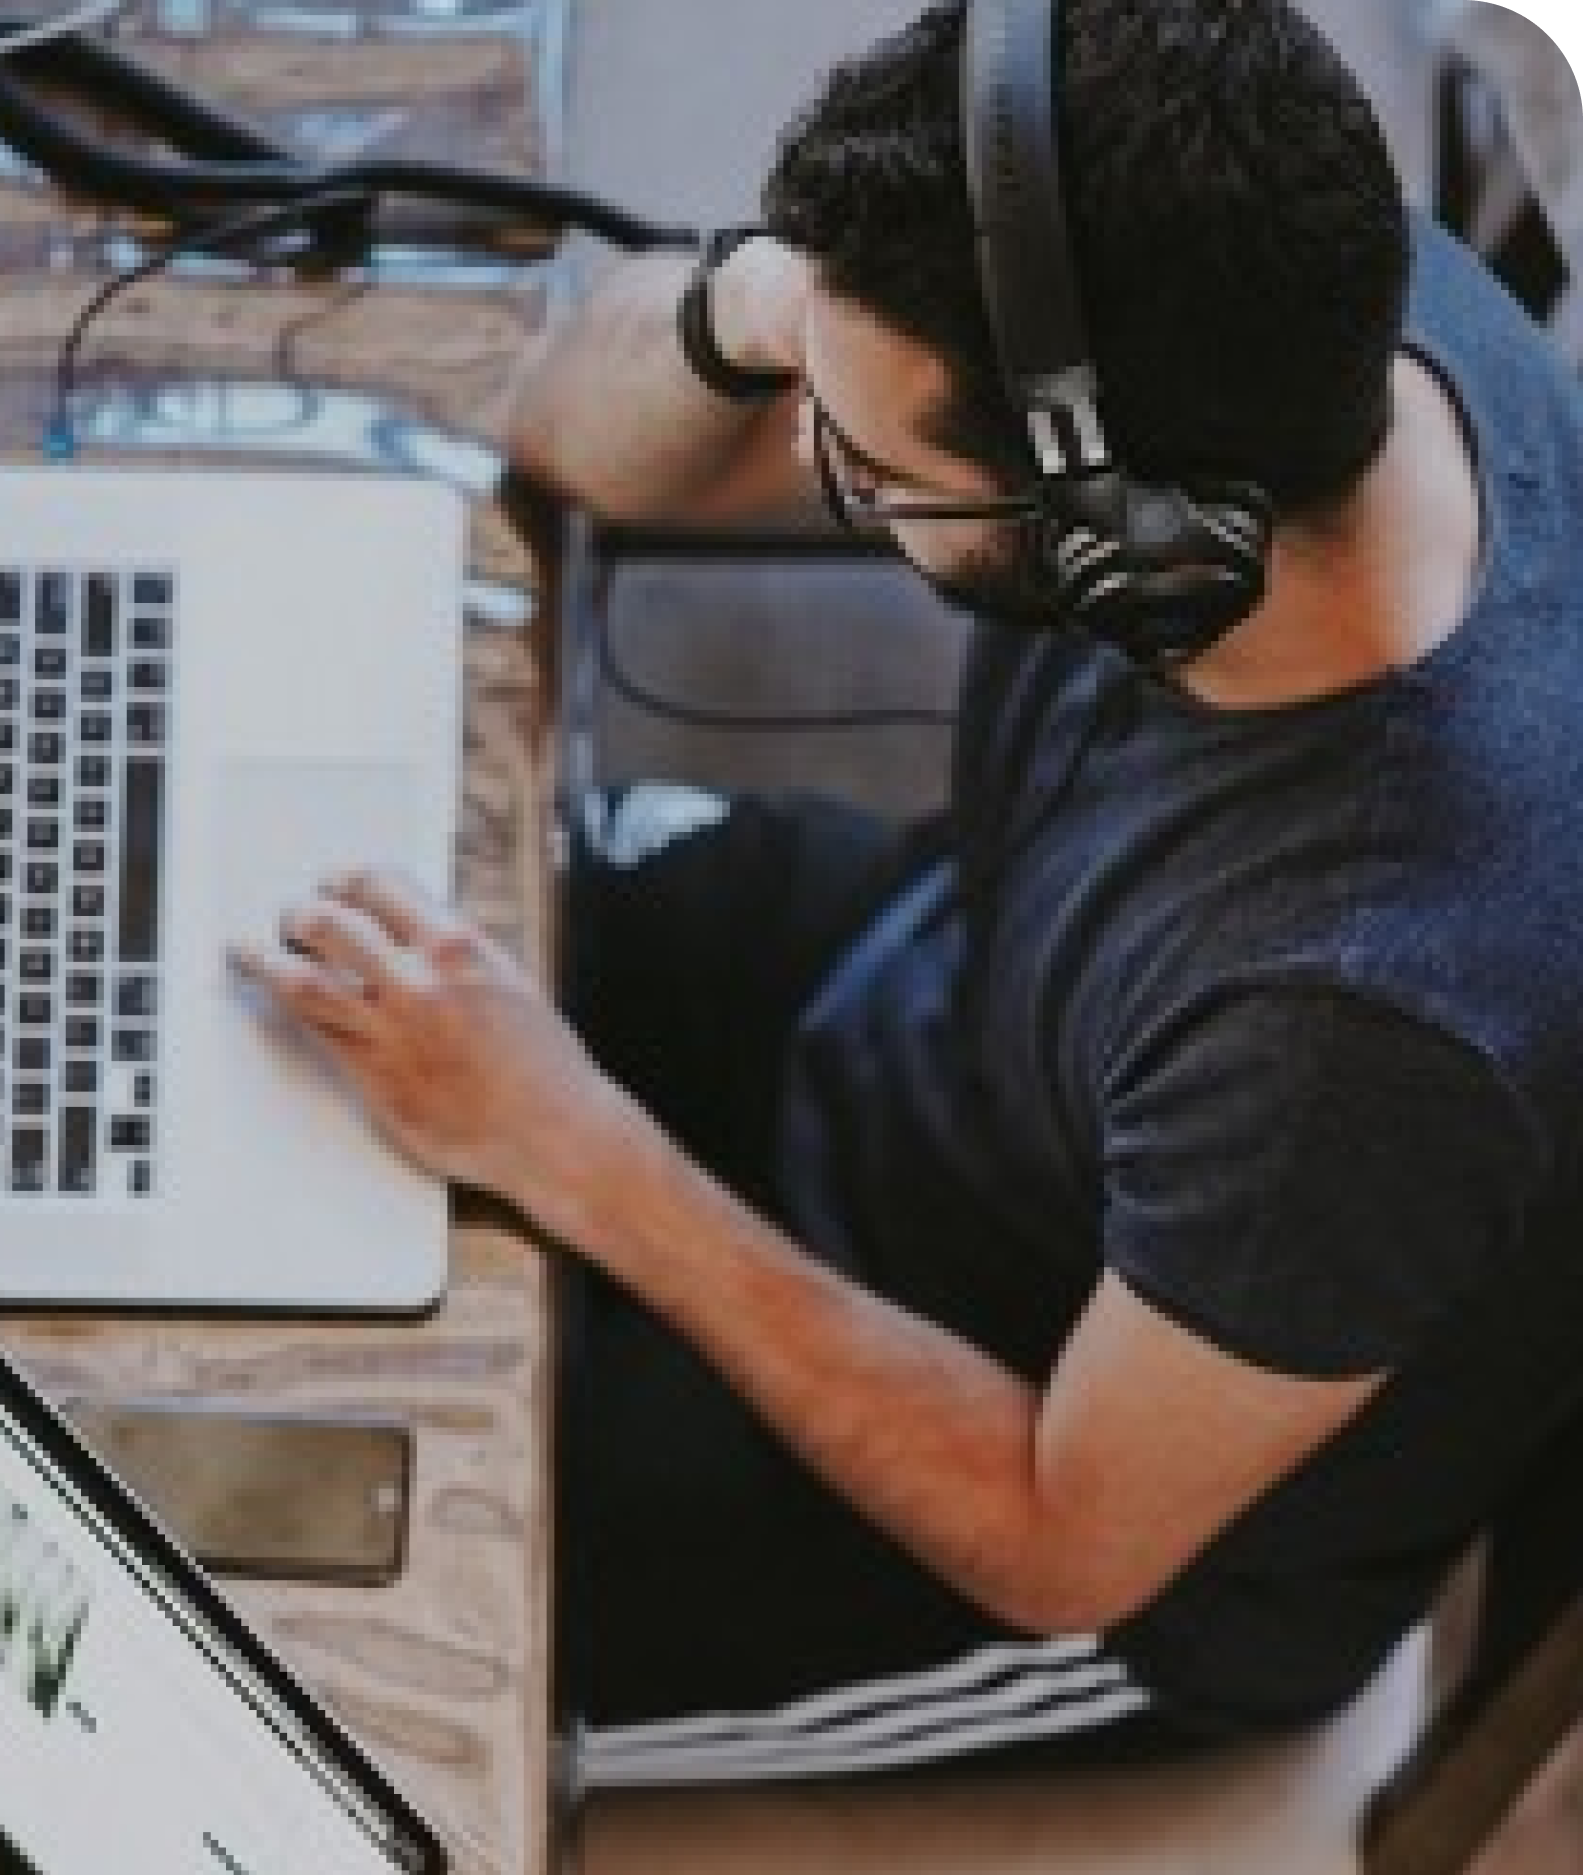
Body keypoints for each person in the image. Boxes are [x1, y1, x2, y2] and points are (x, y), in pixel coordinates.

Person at [232, 0, 1583, 1780]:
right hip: (938, 1024)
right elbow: (561, 431)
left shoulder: (1361, 1038)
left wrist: (578, 1153)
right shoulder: (1285, 285)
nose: (812, 466)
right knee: (254, 958)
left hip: (1061, 1511)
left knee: (300, 1635)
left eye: (875, 479)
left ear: (1142, 551)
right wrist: (774, 304)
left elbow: (1058, 1538)